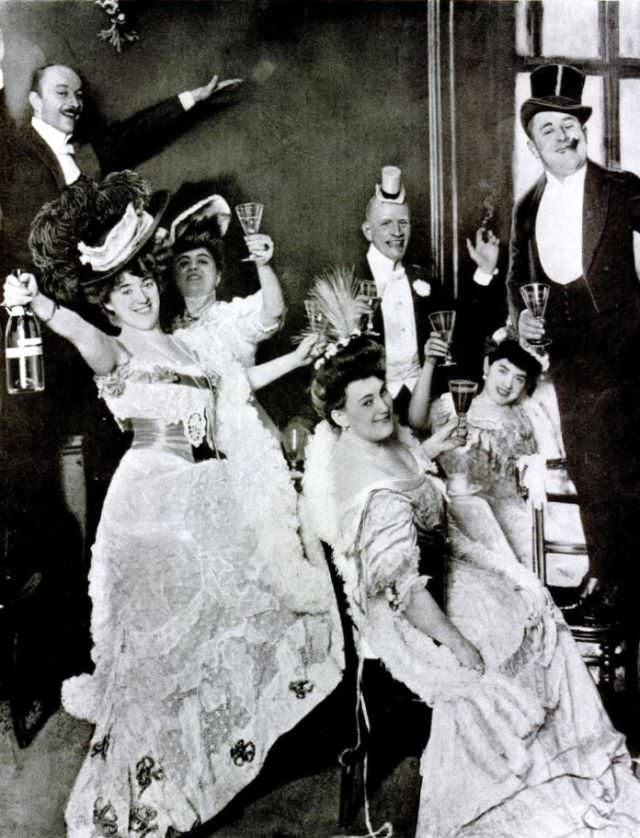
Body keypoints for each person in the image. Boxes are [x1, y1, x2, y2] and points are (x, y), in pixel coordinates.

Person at [3, 170, 342, 836]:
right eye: (123, 291)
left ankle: (190, 772)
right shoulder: (116, 346)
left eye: (144, 284)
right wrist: (41, 307)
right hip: (149, 503)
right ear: (109, 303)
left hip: (201, 492)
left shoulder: (186, 344)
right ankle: (137, 789)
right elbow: (83, 339)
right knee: (154, 659)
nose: (139, 296)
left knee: (240, 625)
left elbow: (235, 391)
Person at [302, 323, 640, 837]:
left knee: (536, 605)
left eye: (379, 394)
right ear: (339, 415)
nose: (380, 408)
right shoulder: (368, 487)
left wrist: (503, 569)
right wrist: (457, 642)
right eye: (364, 402)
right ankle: (519, 783)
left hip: (440, 572)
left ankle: (565, 758)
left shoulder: (384, 442)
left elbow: (425, 490)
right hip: (411, 612)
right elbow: (405, 589)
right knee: (495, 650)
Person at [507, 63, 640, 620]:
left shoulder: (619, 188)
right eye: (550, 129)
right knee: (590, 470)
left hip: (630, 351)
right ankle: (607, 577)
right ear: (534, 145)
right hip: (572, 360)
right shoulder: (527, 206)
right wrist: (521, 322)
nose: (564, 135)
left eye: (570, 124)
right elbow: (517, 281)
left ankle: (631, 582)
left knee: (632, 467)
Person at [415, 338, 586, 586]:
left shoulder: (524, 417)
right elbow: (416, 422)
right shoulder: (454, 403)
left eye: (519, 379)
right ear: (486, 367)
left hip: (510, 513)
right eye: (502, 371)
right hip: (458, 511)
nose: (507, 384)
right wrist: (430, 364)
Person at [359, 165, 499, 422]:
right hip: (371, 408)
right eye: (386, 224)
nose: (397, 233)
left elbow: (466, 330)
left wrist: (484, 272)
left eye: (403, 223)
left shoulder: (423, 279)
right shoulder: (351, 283)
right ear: (368, 231)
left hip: (426, 400)